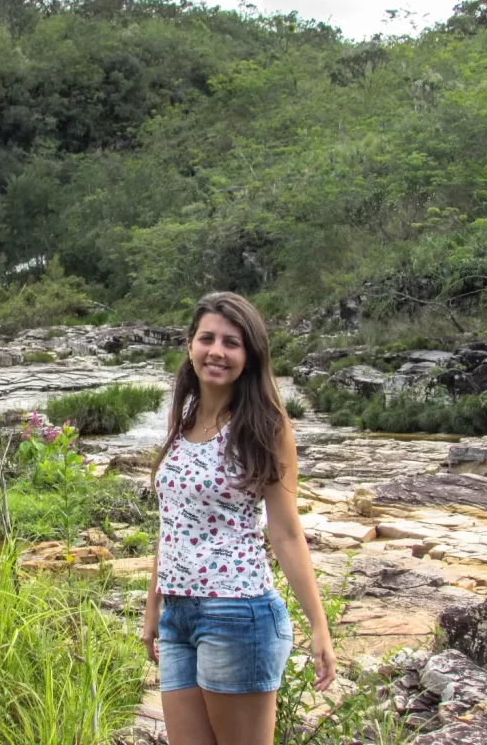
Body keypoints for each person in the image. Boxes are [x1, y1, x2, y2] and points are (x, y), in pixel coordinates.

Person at [141, 291, 336, 745]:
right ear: (190, 346)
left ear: (249, 356)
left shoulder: (264, 426)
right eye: (206, 338)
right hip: (178, 616)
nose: (217, 351)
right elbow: (172, 524)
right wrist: (154, 607)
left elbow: (286, 532)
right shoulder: (183, 420)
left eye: (232, 342)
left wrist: (318, 624)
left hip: (237, 611)